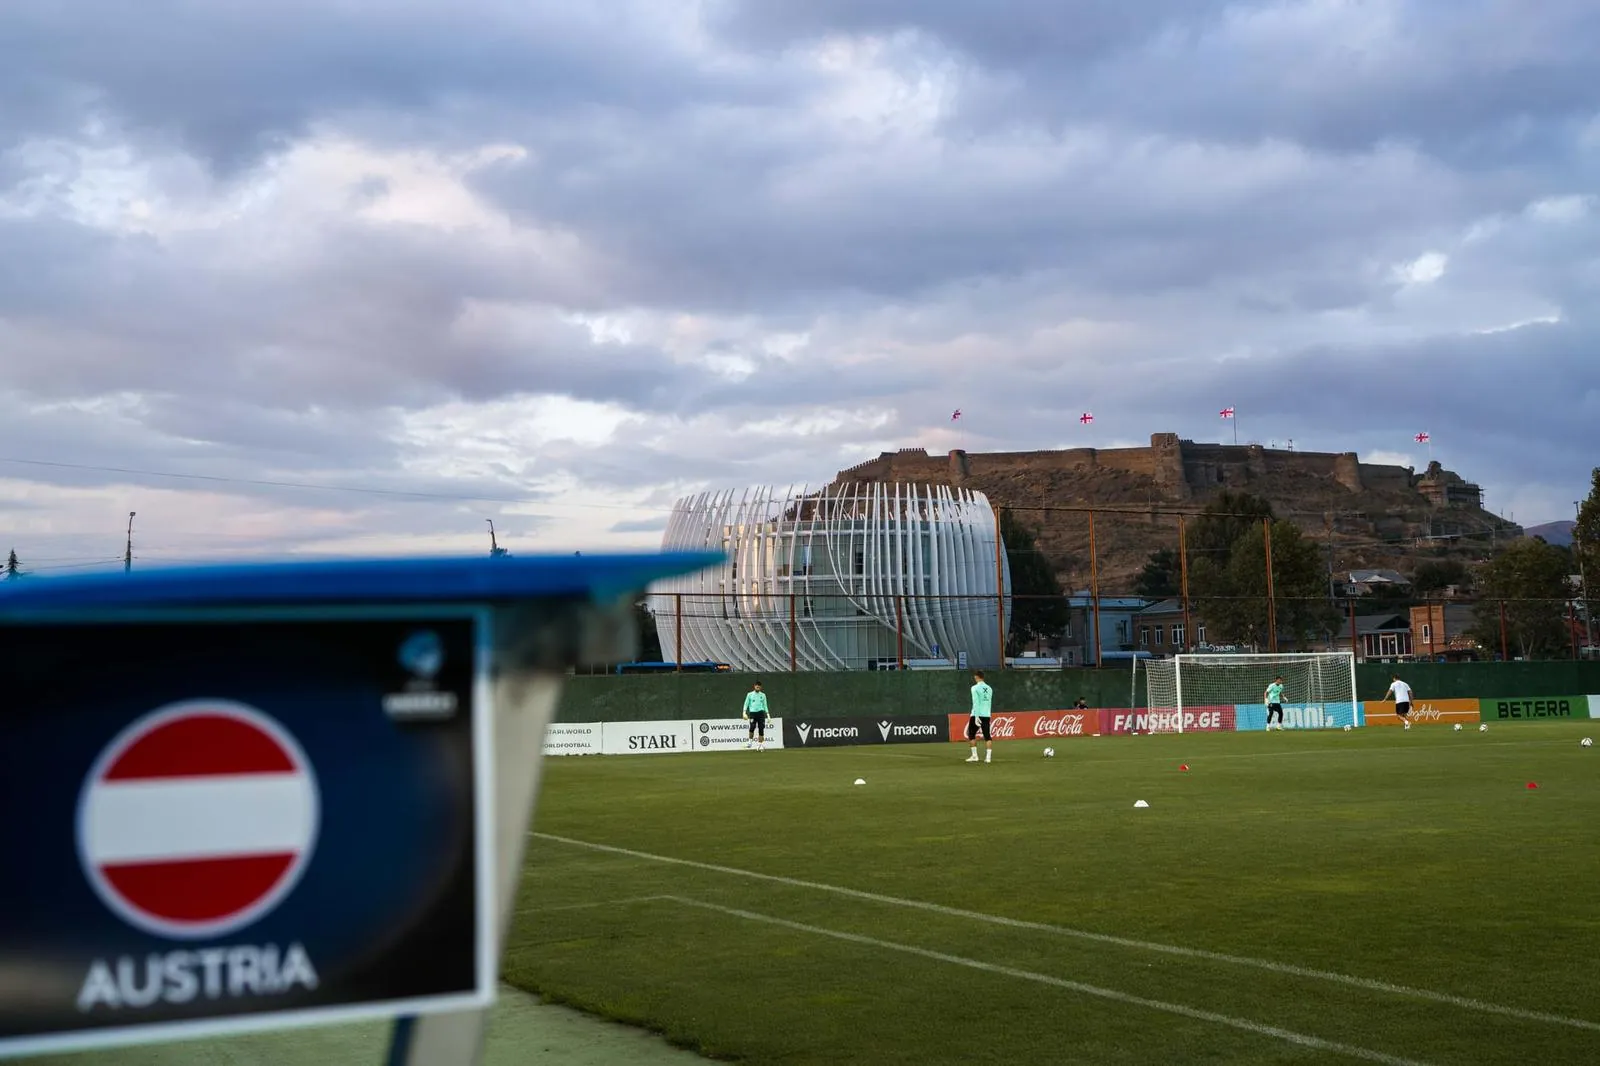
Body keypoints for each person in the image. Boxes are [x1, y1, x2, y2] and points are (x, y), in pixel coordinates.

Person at [966, 670, 994, 763]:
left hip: (976, 715)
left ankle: (975, 756)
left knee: (971, 734)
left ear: (976, 677)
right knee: (987, 736)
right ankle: (988, 758)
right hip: (986, 715)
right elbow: (988, 703)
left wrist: (977, 716)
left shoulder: (974, 688)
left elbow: (976, 702)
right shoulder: (989, 688)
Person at [742, 681, 769, 749]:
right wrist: (744, 712)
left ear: (761, 687)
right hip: (753, 713)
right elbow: (746, 704)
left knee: (761, 729)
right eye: (756, 685)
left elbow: (765, 705)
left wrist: (768, 715)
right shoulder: (749, 694)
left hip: (761, 713)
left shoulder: (763, 695)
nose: (758, 687)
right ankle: (750, 743)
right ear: (754, 686)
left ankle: (760, 745)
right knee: (752, 727)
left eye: (759, 686)